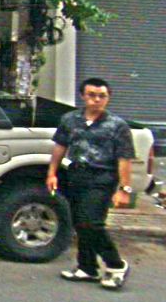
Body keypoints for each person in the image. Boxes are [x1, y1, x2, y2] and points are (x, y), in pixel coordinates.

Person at [46, 77, 134, 290]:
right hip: (76, 176)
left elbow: (124, 158)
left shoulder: (118, 126)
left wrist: (124, 189)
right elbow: (60, 147)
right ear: (83, 96)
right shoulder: (70, 120)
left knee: (91, 222)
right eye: (92, 95)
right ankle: (87, 267)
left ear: (108, 98)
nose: (97, 100)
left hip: (102, 179)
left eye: (102, 96)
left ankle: (116, 265)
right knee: (79, 222)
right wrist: (52, 173)